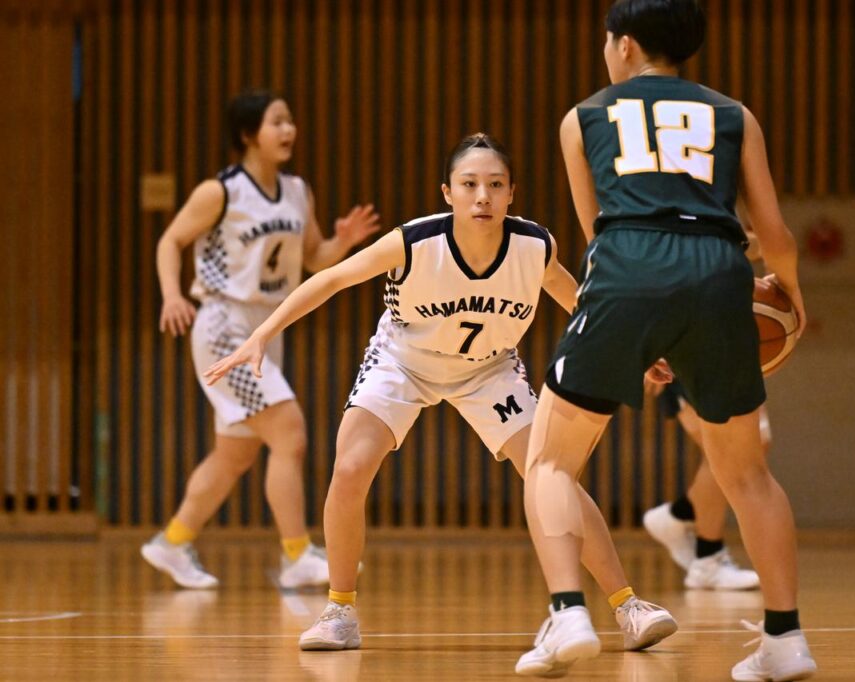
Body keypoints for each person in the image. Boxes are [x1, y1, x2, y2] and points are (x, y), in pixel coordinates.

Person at [203, 133, 678, 667]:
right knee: (351, 466)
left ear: (512, 193)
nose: (483, 196)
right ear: (447, 192)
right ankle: (339, 610)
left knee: (550, 474)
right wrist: (262, 333)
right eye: (469, 184)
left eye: (495, 185)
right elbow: (333, 278)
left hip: (489, 370)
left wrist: (635, 350)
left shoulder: (534, 247)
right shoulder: (413, 242)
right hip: (403, 362)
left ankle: (628, 606)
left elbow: (580, 302)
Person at [517, 1, 818, 680]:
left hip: (628, 265)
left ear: (624, 45)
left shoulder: (583, 117)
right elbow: (774, 236)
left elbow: (597, 234)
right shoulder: (735, 115)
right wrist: (793, 295)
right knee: (748, 474)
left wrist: (640, 331)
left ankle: (569, 613)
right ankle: (785, 641)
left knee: (551, 463)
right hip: (718, 271)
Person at [142, 90, 381, 590]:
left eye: (290, 120)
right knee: (290, 434)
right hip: (224, 326)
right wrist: (171, 294)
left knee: (236, 454)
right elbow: (170, 240)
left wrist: (342, 241)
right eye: (277, 121)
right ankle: (297, 553)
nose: (288, 129)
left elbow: (314, 258)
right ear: (249, 134)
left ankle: (172, 542)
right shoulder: (220, 191)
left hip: (267, 328)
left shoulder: (297, 191)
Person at [643, 228, 766, 592]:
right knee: (731, 448)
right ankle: (707, 558)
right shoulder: (662, 211)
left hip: (725, 335)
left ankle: (680, 515)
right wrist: (649, 342)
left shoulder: (717, 209)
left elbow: (757, 243)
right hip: (683, 339)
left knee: (748, 446)